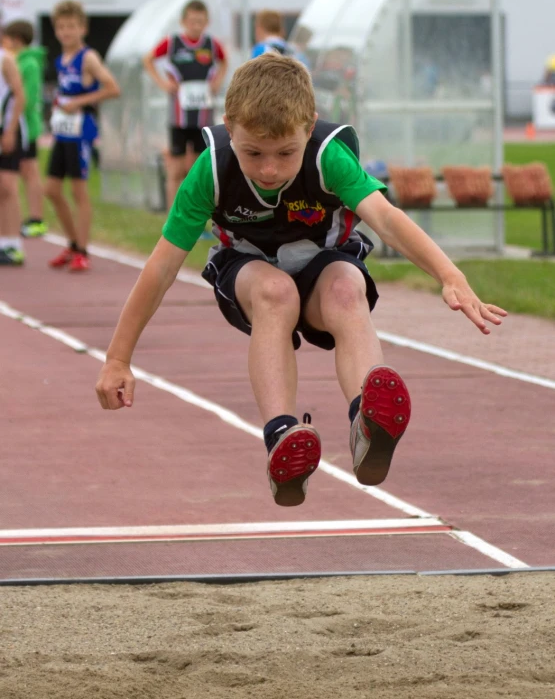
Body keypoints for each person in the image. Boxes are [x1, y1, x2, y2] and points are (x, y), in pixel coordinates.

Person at [95, 54, 507, 508]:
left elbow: (386, 220)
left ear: (308, 128)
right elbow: (161, 268)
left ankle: (367, 425)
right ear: (229, 126)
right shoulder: (211, 171)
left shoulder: (329, 156)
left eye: (285, 153)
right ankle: (281, 439)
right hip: (249, 273)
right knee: (276, 292)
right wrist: (118, 358)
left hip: (322, 265)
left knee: (346, 288)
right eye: (253, 153)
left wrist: (449, 275)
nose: (269, 170)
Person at [45, 0, 120, 272]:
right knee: (51, 189)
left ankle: (82, 250)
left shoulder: (88, 57)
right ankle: (73, 242)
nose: (66, 32)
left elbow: (113, 88)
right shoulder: (60, 58)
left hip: (81, 132)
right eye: (61, 27)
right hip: (63, 132)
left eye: (72, 27)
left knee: (79, 191)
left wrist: (80, 102)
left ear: (83, 28)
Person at [142, 0, 227, 211]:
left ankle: (197, 215)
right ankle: (172, 216)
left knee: (199, 169)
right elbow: (148, 59)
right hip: (178, 117)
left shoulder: (211, 44)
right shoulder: (172, 43)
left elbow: (224, 61)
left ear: (206, 22)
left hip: (203, 117)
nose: (195, 26)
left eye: (200, 21)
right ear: (183, 22)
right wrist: (162, 82)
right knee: (176, 169)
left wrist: (217, 81)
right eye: (192, 21)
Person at [2, 19, 48, 239]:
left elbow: (26, 97)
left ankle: (36, 219)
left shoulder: (28, 63)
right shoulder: (19, 60)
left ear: (17, 40)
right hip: (21, 123)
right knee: (23, 172)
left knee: (30, 172)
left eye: (8, 39)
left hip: (26, 125)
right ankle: (28, 218)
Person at [0, 47, 25, 266]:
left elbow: (19, 95)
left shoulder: (5, 59)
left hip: (6, 129)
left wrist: (10, 130)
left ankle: (13, 244)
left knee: (7, 186)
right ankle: (2, 242)